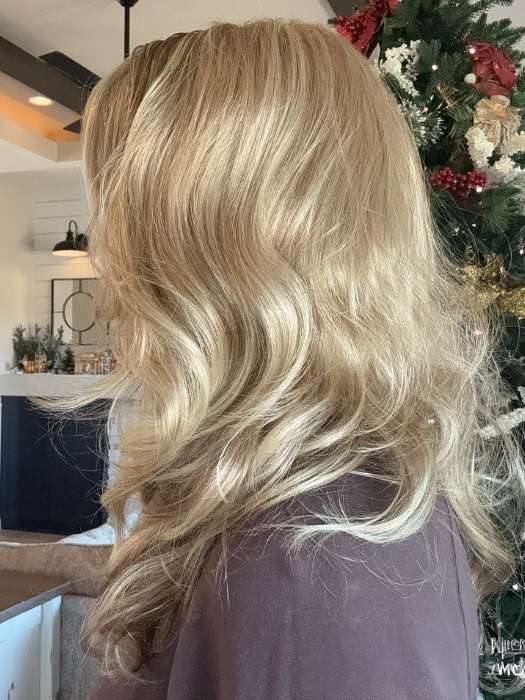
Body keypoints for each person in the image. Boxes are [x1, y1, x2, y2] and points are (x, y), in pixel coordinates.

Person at [56, 18, 524, 699]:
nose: (107, 258)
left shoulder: (308, 563)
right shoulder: (318, 510)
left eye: (122, 219)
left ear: (203, 250)